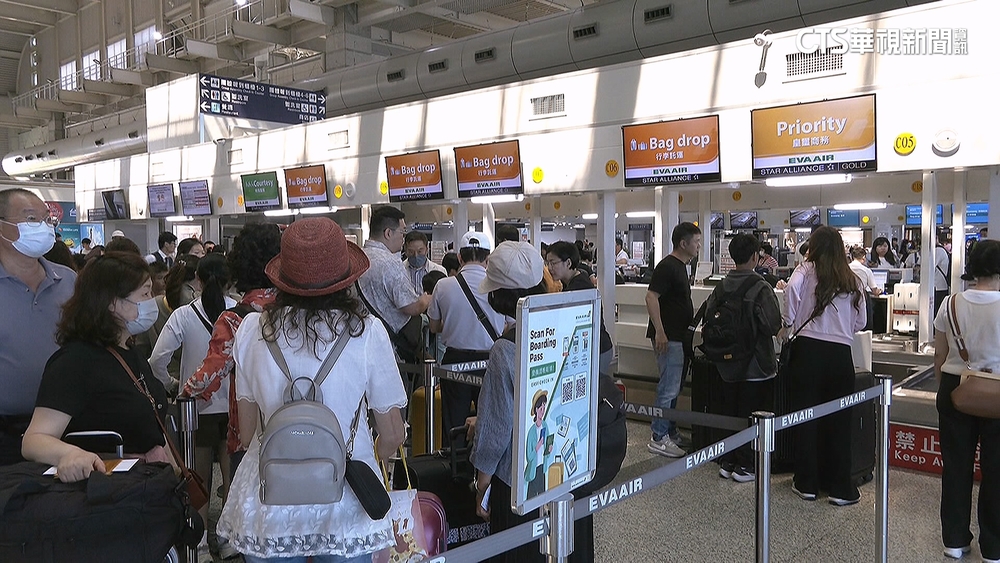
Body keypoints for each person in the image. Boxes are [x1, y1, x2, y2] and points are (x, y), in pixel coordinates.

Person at [216, 217, 406, 563]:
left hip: (269, 499)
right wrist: (365, 452)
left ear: (283, 277)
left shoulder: (252, 330)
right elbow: (393, 433)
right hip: (346, 497)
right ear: (346, 278)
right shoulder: (367, 332)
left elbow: (246, 431)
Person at [22, 251, 169, 481]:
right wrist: (70, 454)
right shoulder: (75, 361)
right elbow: (34, 440)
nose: (152, 300)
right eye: (145, 293)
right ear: (112, 302)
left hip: (150, 482)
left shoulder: (131, 352)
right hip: (111, 487)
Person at [149, 253, 236, 551]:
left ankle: (199, 544)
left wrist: (173, 384)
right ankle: (227, 538)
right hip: (235, 406)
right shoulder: (242, 313)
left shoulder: (183, 315)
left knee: (197, 478)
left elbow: (157, 360)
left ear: (197, 280)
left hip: (195, 407)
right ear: (229, 281)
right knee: (232, 476)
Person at [182, 223, 281, 483]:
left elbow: (208, 376)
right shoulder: (295, 312)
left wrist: (182, 396)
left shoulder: (234, 320)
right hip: (298, 424)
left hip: (250, 432)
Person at [471, 241, 549, 563]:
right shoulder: (558, 323)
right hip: (552, 470)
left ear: (499, 295)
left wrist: (482, 481)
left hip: (515, 479)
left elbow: (498, 426)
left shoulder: (505, 348)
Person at [782, 226, 866, 506]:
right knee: (840, 421)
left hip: (808, 352)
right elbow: (861, 322)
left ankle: (806, 483)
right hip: (840, 355)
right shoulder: (852, 279)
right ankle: (840, 487)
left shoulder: (805, 271)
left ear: (813, 247)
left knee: (806, 418)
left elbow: (791, 291)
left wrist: (790, 320)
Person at [933, 240, 1000, 563]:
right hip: (997, 391)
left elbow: (940, 355)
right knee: (996, 471)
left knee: (956, 467)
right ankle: (994, 548)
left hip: (955, 387)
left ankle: (954, 541)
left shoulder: (950, 304)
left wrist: (944, 390)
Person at [0, 188, 75, 465]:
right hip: (5, 431)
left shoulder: (69, 281)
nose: (43, 227)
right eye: (31, 219)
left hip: (63, 428)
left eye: (46, 220)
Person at [704, 234, 781, 482]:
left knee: (731, 412)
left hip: (726, 365)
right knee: (754, 414)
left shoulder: (721, 287)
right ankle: (747, 465)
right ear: (755, 257)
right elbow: (771, 324)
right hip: (756, 365)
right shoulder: (760, 287)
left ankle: (728, 461)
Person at [428, 231, 505, 445]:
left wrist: (454, 325)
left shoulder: (443, 285)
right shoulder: (500, 286)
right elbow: (509, 325)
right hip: (491, 361)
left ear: (460, 257)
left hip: (455, 362)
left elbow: (433, 327)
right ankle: (484, 464)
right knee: (489, 422)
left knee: (454, 424)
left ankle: (454, 462)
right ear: (488, 258)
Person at [644, 222, 701, 458]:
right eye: (696, 242)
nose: (699, 246)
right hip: (668, 338)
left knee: (675, 387)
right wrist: (660, 331)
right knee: (668, 388)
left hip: (678, 336)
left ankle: (670, 430)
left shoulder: (681, 267)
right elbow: (651, 297)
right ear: (683, 243)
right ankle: (658, 437)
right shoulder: (667, 266)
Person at [357, 206, 432, 356]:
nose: (403, 239)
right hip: (388, 345)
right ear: (388, 233)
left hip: (360, 340)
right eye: (402, 233)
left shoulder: (357, 259)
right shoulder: (390, 263)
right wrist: (425, 300)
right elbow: (411, 307)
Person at [545, 241, 615, 374]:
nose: (549, 268)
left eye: (553, 263)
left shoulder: (578, 287)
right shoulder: (574, 281)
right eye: (547, 263)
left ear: (568, 263)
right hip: (590, 349)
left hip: (596, 350)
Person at [935, 231, 953, 317]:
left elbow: (929, 266)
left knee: (936, 313)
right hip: (940, 287)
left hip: (938, 287)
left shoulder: (938, 250)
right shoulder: (941, 250)